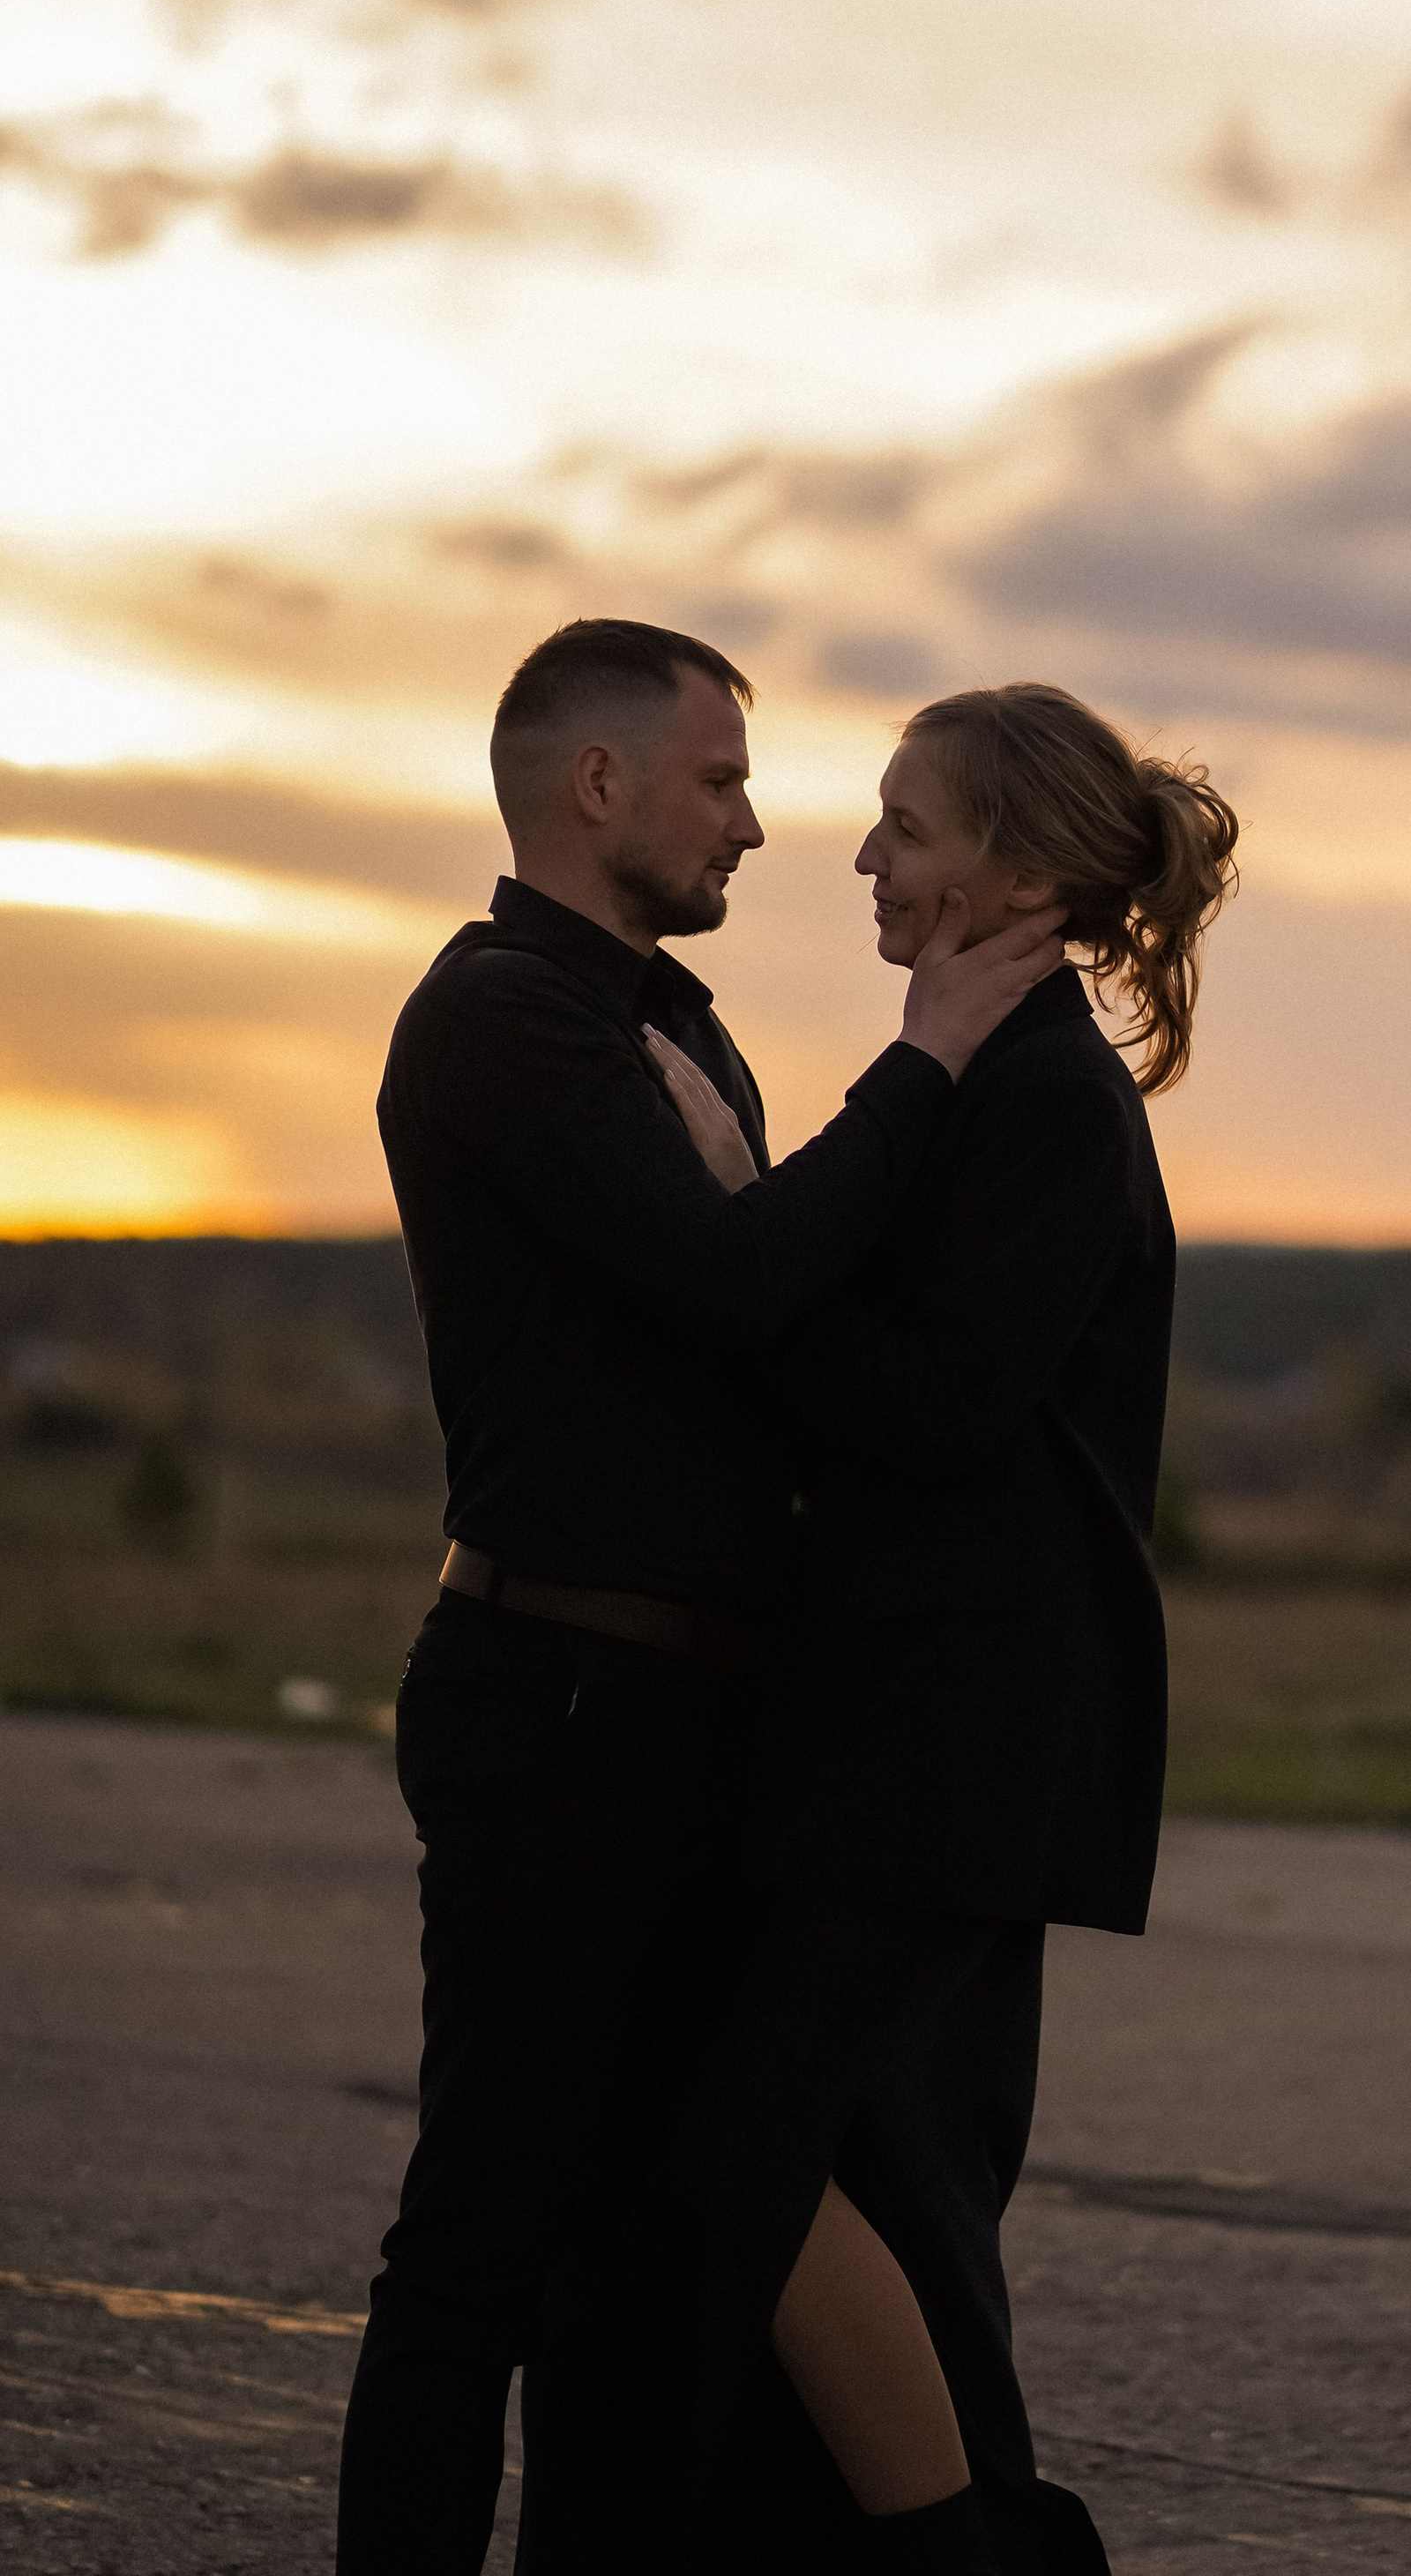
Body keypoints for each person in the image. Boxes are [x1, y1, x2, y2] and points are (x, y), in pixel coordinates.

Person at [336, 619, 1064, 2576]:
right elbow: (742, 1287)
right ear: (596, 788)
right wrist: (918, 1072)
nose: (756, 826)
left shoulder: (670, 1021)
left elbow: (785, 1312)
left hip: (694, 1723)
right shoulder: (503, 1018)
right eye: (720, 779)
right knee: (484, 2239)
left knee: (644, 2241)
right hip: (557, 1697)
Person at [613, 680, 1239, 2573]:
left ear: (1016, 871)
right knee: (894, 2176)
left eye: (906, 827)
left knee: (750, 2150)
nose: (863, 857)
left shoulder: (1043, 1097)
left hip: (958, 1730)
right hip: (904, 1720)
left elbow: (934, 1407)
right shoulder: (992, 1075)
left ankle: (982, 2549)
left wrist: (741, 1246)